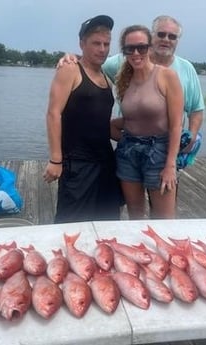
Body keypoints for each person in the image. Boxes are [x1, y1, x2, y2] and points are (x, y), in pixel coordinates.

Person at [59, 15, 205, 155]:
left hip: (167, 149)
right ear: (151, 36)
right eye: (161, 34)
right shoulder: (127, 60)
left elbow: (196, 110)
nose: (166, 39)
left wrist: (190, 139)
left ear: (177, 40)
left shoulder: (186, 69)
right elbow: (92, 63)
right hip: (130, 148)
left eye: (172, 36)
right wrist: (72, 58)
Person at [43, 14, 123, 223]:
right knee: (70, 225)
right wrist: (55, 159)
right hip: (77, 164)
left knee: (108, 221)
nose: (102, 49)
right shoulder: (71, 69)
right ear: (82, 44)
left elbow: (98, 122)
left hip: (106, 161)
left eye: (106, 44)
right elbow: (53, 113)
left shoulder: (107, 77)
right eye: (96, 43)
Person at [110, 25, 183, 219]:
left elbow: (176, 125)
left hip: (158, 153)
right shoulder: (124, 79)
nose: (135, 53)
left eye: (141, 47)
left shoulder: (166, 76)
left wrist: (170, 165)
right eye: (129, 49)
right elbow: (91, 63)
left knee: (164, 219)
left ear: (150, 48)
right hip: (128, 153)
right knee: (135, 216)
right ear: (124, 51)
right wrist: (71, 58)